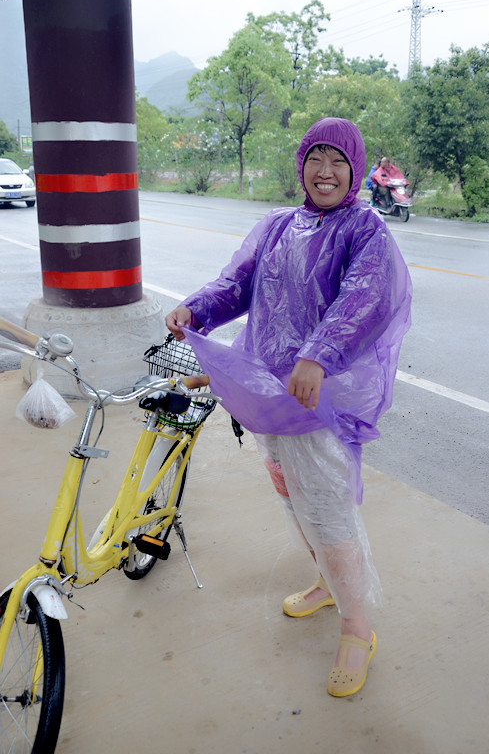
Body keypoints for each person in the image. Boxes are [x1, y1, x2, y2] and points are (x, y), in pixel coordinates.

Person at [166, 117, 412, 698]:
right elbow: (240, 282)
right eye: (315, 159)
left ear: (356, 169)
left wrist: (319, 356)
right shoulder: (280, 226)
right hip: (272, 393)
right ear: (301, 165)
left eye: (338, 161)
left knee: (327, 508)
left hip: (319, 394)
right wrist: (196, 310)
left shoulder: (366, 229)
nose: (325, 172)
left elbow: (366, 298)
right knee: (289, 492)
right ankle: (329, 582)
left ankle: (358, 627)